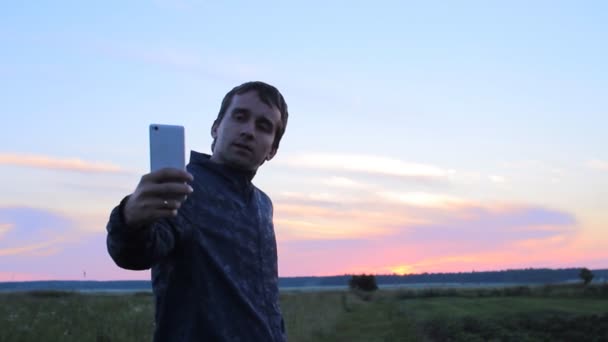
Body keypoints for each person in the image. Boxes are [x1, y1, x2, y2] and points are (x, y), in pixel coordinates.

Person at [105, 81, 289, 341]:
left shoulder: (262, 204)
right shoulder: (183, 187)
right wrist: (130, 219)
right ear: (216, 128)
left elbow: (265, 297)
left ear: (272, 149)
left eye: (264, 126)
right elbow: (135, 253)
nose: (248, 131)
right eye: (239, 117)